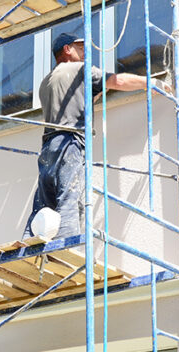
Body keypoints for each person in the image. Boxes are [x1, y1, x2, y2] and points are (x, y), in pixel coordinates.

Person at [23, 33, 156, 240]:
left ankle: (31, 248)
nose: (86, 52)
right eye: (80, 47)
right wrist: (151, 82)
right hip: (70, 145)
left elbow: (80, 102)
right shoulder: (80, 70)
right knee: (70, 199)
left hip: (48, 148)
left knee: (43, 207)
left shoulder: (46, 82)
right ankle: (66, 250)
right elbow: (117, 80)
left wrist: (96, 92)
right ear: (67, 49)